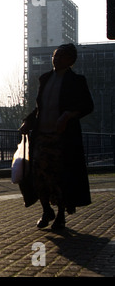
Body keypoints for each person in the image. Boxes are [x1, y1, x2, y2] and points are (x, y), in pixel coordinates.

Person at [20, 43, 94, 230]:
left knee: (59, 175)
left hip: (62, 137)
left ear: (71, 60)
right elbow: (40, 108)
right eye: (55, 55)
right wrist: (27, 121)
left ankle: (60, 214)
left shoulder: (76, 81)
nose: (56, 58)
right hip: (42, 135)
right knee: (38, 174)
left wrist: (68, 115)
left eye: (61, 56)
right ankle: (46, 210)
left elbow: (87, 105)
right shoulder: (45, 78)